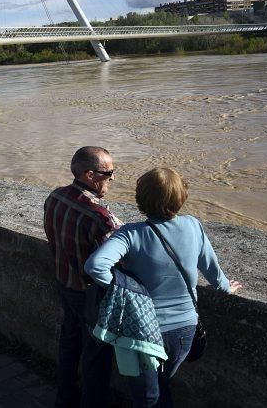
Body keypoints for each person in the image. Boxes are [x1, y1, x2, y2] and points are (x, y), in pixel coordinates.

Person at [85, 167, 242, 408]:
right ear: (182, 197)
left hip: (143, 332)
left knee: (147, 398)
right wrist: (225, 288)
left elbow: (95, 266)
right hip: (184, 330)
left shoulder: (130, 234)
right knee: (161, 384)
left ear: (140, 200)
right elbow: (211, 269)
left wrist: (123, 289)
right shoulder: (193, 225)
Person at [44, 146, 122, 408]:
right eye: (108, 173)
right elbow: (119, 260)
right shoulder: (99, 217)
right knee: (96, 359)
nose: (112, 178)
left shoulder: (54, 197)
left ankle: (64, 399)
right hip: (91, 296)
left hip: (63, 283)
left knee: (69, 345)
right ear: (90, 175)